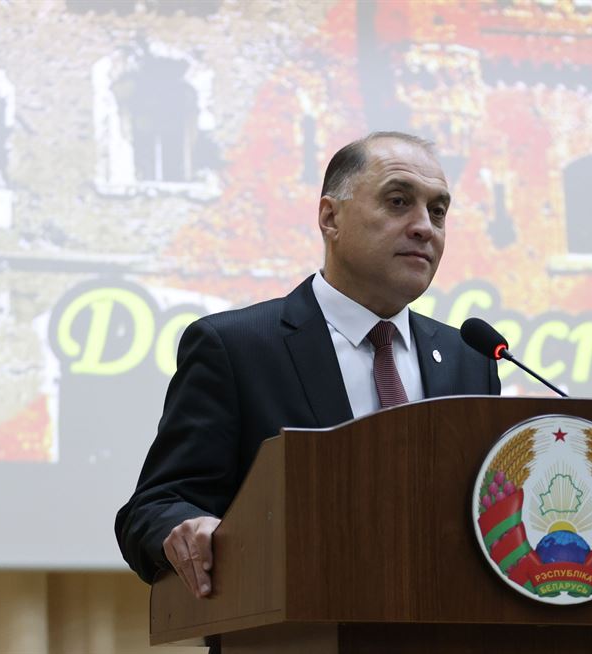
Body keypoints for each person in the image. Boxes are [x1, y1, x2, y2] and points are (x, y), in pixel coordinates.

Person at [115, 132, 500, 599]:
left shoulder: (470, 358)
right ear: (330, 218)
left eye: (437, 211)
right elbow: (156, 505)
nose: (424, 227)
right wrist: (189, 527)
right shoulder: (236, 348)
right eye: (398, 202)